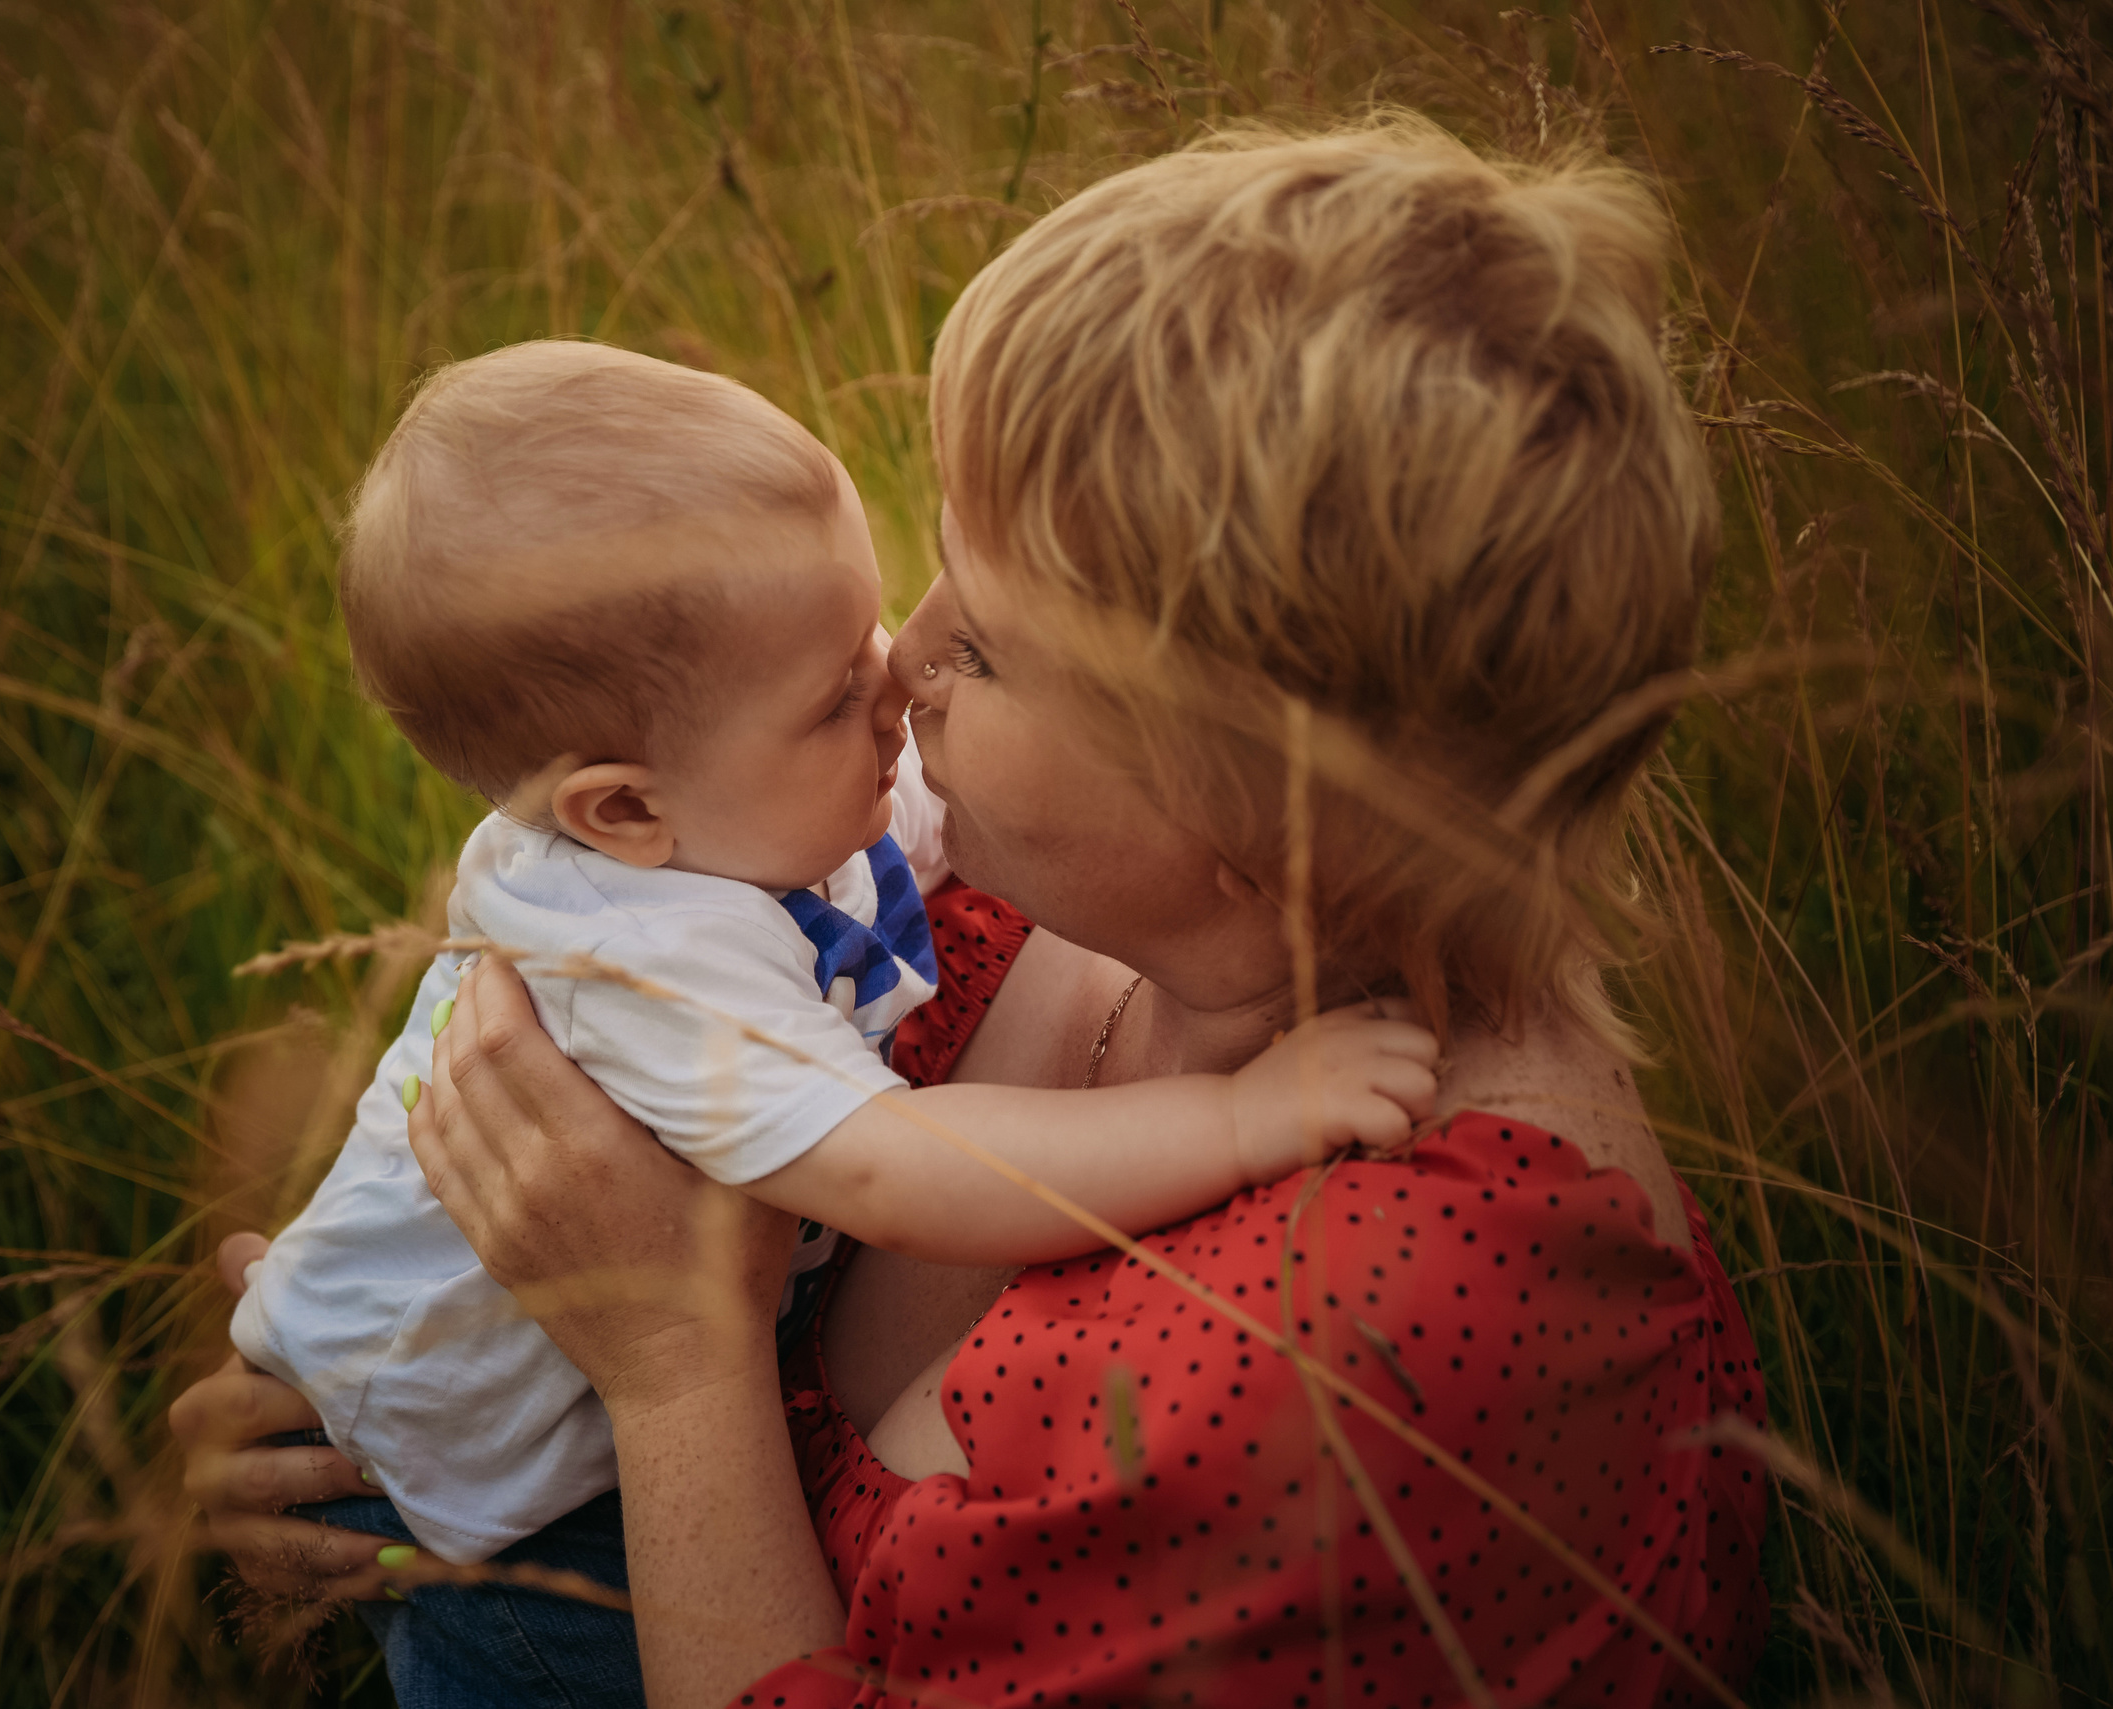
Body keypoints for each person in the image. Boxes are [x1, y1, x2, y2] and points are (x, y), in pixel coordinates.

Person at [174, 116, 1772, 1706]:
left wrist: (669, 1374)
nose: (903, 658)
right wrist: (359, 1395)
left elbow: (702, 1315)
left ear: (1249, 802)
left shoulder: (1362, 1341)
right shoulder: (1020, 908)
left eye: (990, 649)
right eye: (932, 565)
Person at [228, 340, 1441, 1704]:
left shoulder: (737, 803)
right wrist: (1240, 1117)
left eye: (884, 635)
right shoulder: (649, 951)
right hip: (505, 1517)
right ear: (622, 809)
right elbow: (889, 1166)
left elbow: (922, 831)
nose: (896, 682)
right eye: (831, 694)